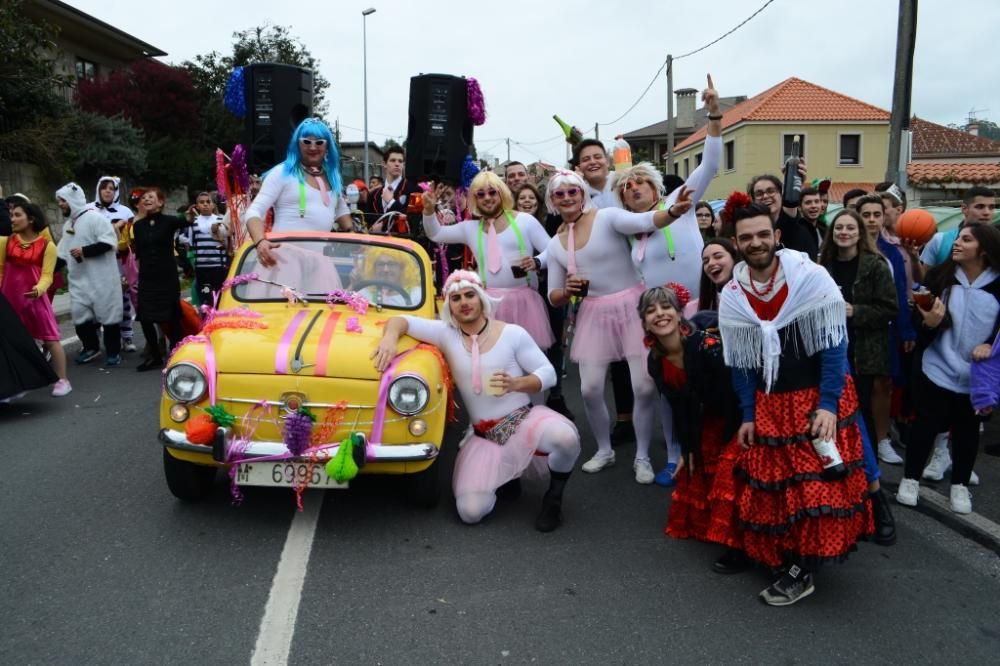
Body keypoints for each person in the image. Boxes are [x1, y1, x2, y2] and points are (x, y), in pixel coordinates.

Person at [719, 200, 871, 606]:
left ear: (777, 236)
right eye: (747, 237)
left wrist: (827, 404)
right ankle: (791, 561)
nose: (756, 242)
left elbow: (835, 343)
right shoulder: (732, 295)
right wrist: (748, 413)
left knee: (816, 491)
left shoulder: (811, 277)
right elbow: (741, 363)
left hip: (813, 400)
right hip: (770, 405)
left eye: (762, 234)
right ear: (736, 243)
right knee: (776, 493)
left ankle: (802, 572)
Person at [373, 270, 581, 532]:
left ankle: (554, 499)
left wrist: (518, 383)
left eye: (470, 295)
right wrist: (390, 339)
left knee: (565, 438)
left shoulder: (512, 334)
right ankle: (506, 476)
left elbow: (548, 373)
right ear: (449, 305)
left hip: (523, 421)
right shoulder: (445, 334)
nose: (464, 302)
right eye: (456, 298)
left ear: (482, 297)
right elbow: (400, 320)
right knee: (471, 513)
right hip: (484, 436)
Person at [544, 169, 692, 483]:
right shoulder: (556, 243)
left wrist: (672, 212)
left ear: (582, 194)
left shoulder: (607, 217)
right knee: (590, 389)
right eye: (560, 194)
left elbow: (645, 221)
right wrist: (567, 291)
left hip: (631, 307)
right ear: (552, 200)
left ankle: (641, 456)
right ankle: (604, 450)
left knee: (643, 386)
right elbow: (553, 296)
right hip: (594, 314)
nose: (568, 197)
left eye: (573, 191)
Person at [641, 285, 747, 572]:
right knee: (693, 467)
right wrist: (688, 448)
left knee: (727, 469)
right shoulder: (655, 361)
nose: (659, 314)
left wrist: (729, 443)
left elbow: (734, 398)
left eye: (666, 308)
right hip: (709, 418)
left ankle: (740, 547)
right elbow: (679, 408)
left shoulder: (707, 347)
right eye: (651, 311)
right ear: (645, 322)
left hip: (742, 417)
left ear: (679, 314)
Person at [898, 224, 1000, 514]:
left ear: (984, 248)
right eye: (958, 238)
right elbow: (919, 320)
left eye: (966, 240)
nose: (957, 244)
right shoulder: (939, 277)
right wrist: (928, 323)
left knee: (968, 430)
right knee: (925, 426)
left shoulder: (997, 283)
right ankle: (910, 479)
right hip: (935, 366)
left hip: (976, 374)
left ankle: (960, 486)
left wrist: (992, 345)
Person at [422, 173, 554, 352]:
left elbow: (553, 251)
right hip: (488, 305)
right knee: (493, 359)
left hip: (525, 304)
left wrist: (537, 262)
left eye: (492, 192)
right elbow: (436, 234)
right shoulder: (470, 228)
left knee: (527, 362)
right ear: (474, 199)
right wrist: (429, 211)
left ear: (502, 194)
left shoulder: (525, 221)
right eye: (481, 194)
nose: (487, 198)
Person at [246, 118, 354, 267]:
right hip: (283, 261)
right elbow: (254, 212)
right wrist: (260, 241)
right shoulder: (282, 173)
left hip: (318, 264)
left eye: (319, 142)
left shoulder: (332, 178)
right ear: (298, 144)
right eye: (307, 142)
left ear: (327, 145)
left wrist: (355, 234)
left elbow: (342, 214)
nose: (313, 147)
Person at [0, 202, 71, 396]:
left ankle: (62, 379)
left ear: (30, 219)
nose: (12, 219)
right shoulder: (5, 242)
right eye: (11, 215)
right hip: (9, 299)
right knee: (15, 342)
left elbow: (47, 275)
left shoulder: (47, 246)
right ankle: (20, 382)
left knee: (50, 339)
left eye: (17, 215)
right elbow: (0, 270)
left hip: (34, 299)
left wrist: (38, 290)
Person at [55, 182, 123, 366]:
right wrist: (44, 273)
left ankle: (113, 352)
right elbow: (61, 255)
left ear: (73, 200)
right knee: (79, 316)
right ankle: (91, 347)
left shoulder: (95, 218)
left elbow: (109, 243)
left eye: (63, 200)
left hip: (102, 279)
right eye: (59, 201)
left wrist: (85, 251)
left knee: (109, 317)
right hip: (79, 280)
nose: (60, 204)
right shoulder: (69, 224)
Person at [132, 188, 193, 371]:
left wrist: (190, 215)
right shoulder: (138, 225)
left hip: (167, 276)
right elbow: (138, 254)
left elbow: (186, 220)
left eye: (151, 197)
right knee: (145, 317)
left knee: (172, 316)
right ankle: (155, 355)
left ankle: (176, 353)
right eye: (144, 198)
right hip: (147, 278)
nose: (147, 199)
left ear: (160, 202)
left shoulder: (169, 221)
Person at [91, 176, 137, 352]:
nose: (108, 191)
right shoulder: (89, 210)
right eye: (104, 187)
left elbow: (132, 241)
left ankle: (126, 335)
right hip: (96, 263)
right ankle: (95, 340)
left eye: (112, 188)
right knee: (95, 302)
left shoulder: (126, 212)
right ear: (98, 190)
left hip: (119, 262)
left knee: (122, 300)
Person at [181, 192, 230, 306]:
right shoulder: (194, 222)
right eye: (202, 202)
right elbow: (186, 240)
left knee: (221, 295)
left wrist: (218, 232)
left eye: (208, 202)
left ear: (213, 205)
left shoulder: (221, 219)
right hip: (202, 268)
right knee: (206, 297)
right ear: (197, 206)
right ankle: (207, 318)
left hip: (219, 266)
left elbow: (228, 241)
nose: (205, 204)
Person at [365, 146, 423, 233]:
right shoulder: (373, 195)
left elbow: (414, 222)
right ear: (384, 164)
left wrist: (391, 202)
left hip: (402, 243)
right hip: (377, 243)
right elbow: (367, 222)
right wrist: (372, 229)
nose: (397, 164)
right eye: (393, 160)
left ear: (403, 165)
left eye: (400, 161)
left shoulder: (414, 190)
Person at [687, 237, 740, 317]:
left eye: (718, 257)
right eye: (706, 261)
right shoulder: (692, 309)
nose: (711, 263)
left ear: (734, 258)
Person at [798, 186, 827, 252]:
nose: (813, 206)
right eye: (808, 202)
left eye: (816, 202)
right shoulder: (795, 230)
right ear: (800, 207)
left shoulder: (826, 229)